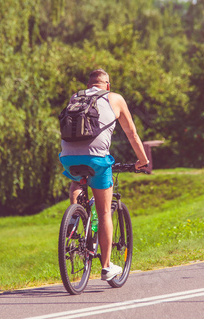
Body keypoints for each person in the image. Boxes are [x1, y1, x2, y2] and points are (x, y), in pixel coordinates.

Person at [59, 69, 149, 281]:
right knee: (104, 211)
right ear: (107, 85)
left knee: (76, 182)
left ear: (89, 84)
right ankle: (107, 266)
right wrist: (143, 161)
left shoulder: (76, 97)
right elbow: (131, 133)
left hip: (68, 158)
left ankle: (73, 220)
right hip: (97, 160)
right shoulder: (115, 98)